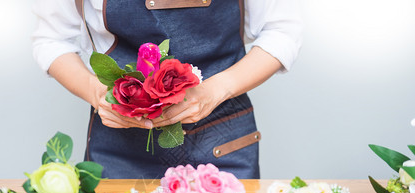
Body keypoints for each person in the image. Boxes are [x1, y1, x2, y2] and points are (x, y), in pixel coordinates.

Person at [32, 0, 303, 179]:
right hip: (119, 150)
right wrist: (95, 92)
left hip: (222, 147)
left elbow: (282, 31)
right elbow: (53, 40)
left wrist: (216, 89)